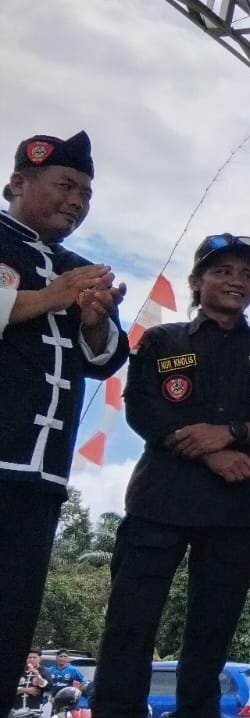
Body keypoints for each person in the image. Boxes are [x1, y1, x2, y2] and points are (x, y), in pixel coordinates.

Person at [92, 234, 250, 718]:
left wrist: (229, 433)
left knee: (212, 632)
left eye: (247, 274)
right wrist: (212, 456)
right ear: (197, 281)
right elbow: (144, 409)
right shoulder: (162, 340)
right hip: (159, 504)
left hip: (237, 511)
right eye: (223, 271)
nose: (236, 281)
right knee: (130, 623)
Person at [1, 132, 129, 689]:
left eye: (86, 194)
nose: (76, 201)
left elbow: (105, 359)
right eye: (66, 186)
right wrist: (54, 295)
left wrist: (96, 320)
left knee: (11, 617)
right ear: (18, 183)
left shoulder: (77, 266)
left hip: (43, 474)